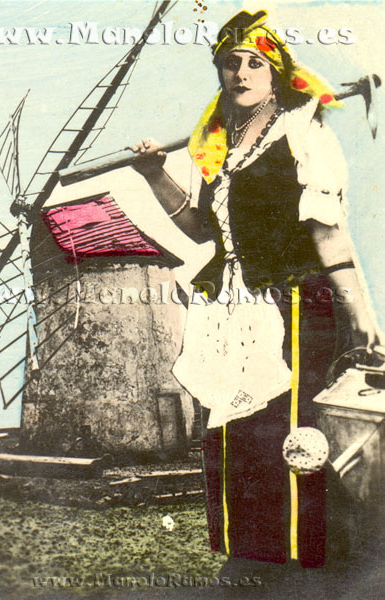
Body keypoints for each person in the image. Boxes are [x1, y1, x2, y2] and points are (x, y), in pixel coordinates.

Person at [132, 10, 381, 574]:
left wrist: (362, 314)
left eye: (254, 63)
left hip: (296, 306)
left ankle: (306, 566)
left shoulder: (303, 132)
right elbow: (202, 229)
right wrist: (153, 174)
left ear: (276, 75)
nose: (241, 73)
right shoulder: (219, 148)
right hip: (231, 307)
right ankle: (250, 560)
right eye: (230, 63)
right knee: (236, 433)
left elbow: (328, 233)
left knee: (294, 436)